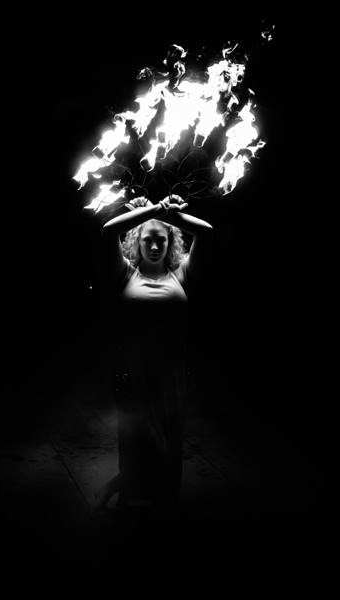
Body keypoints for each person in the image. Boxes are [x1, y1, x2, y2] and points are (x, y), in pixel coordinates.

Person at [90, 194, 213, 518]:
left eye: (162, 240)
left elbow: (207, 231)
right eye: (148, 239)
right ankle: (116, 487)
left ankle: (160, 505)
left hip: (172, 372)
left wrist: (172, 214)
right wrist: (152, 210)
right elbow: (107, 231)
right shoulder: (126, 274)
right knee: (140, 440)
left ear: (171, 243)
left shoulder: (181, 275)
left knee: (168, 442)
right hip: (132, 371)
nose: (155, 246)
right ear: (137, 241)